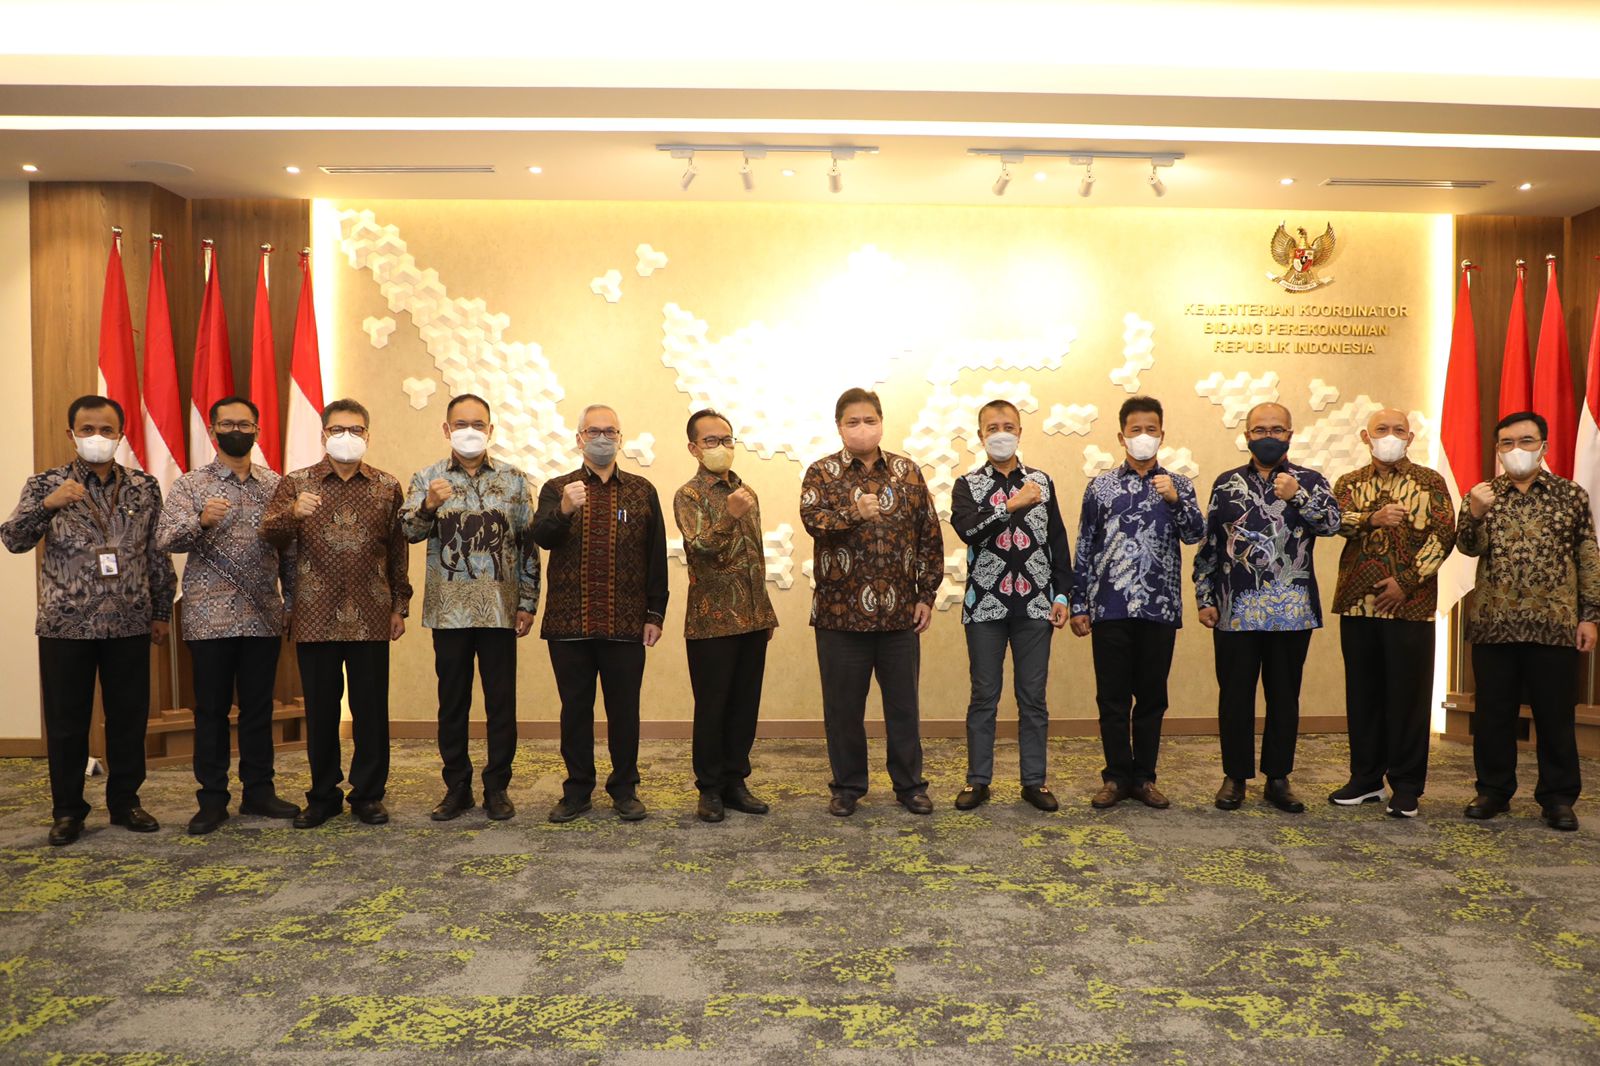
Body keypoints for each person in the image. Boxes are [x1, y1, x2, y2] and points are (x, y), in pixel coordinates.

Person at [3, 394, 175, 846]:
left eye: (106, 430)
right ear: (71, 434)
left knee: (128, 719)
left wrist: (161, 611)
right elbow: (14, 540)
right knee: (66, 722)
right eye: (87, 429)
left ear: (120, 435)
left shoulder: (143, 486)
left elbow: (157, 552)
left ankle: (126, 802)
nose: (97, 437)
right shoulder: (46, 484)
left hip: (130, 622)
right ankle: (68, 811)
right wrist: (48, 505)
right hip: (66, 624)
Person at [260, 398, 411, 829]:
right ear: (324, 434)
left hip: (372, 614)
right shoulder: (297, 483)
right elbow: (268, 533)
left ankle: (368, 795)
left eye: (356, 429)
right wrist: (292, 514)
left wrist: (399, 605)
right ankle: (323, 795)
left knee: (371, 712)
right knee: (322, 712)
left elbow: (397, 550)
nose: (347, 436)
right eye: (338, 429)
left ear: (368, 435)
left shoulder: (386, 486)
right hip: (314, 616)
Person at [156, 396, 299, 834]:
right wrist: (200, 521)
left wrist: (292, 602)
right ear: (213, 430)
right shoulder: (191, 484)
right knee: (211, 711)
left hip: (262, 615)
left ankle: (259, 792)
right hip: (208, 618)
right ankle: (212, 799)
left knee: (258, 708)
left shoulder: (276, 486)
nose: (236, 430)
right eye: (227, 424)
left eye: (245, 424)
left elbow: (291, 549)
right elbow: (165, 539)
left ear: (257, 430)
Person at [801, 387, 945, 817]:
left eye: (869, 420)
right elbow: (813, 521)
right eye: (852, 422)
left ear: (881, 422)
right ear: (839, 427)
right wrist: (853, 514)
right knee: (843, 710)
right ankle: (847, 787)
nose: (862, 428)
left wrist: (926, 595)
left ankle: (910, 786)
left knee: (904, 708)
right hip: (839, 616)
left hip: (900, 615)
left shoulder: (907, 472)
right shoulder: (821, 473)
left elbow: (929, 536)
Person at [1194, 402, 1340, 814]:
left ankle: (1278, 778)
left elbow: (1332, 524)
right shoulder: (1225, 484)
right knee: (1235, 697)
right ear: (1246, 436)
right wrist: (1204, 598)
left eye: (1277, 429)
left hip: (1291, 612)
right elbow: (1210, 545)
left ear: (1290, 434)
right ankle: (1235, 776)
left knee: (1284, 698)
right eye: (1260, 430)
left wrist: (1299, 497)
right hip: (1234, 610)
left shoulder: (1310, 480)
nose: (1268, 436)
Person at [1457, 411, 1600, 832]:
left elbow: (1588, 557)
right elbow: (1467, 547)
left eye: (1525, 441)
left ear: (1543, 446)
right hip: (1494, 623)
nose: (1516, 449)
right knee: (1492, 714)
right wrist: (1475, 513)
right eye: (1507, 443)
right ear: (1498, 450)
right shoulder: (1482, 494)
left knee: (1555, 716)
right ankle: (1493, 791)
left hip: (1554, 624)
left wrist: (1590, 616)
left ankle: (1558, 798)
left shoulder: (1570, 495)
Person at [401, 393, 540, 824]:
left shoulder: (515, 480)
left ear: (490, 430)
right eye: (461, 424)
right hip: (449, 612)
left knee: (501, 703)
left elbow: (527, 544)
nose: (469, 431)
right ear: (446, 430)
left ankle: (497, 787)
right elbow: (407, 532)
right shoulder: (427, 478)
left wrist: (528, 602)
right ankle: (456, 787)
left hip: (500, 610)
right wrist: (429, 505)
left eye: (478, 424)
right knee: (452, 702)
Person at [532, 404, 668, 824]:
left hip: (626, 623)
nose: (603, 438)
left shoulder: (642, 491)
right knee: (575, 710)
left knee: (624, 711)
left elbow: (655, 556)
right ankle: (577, 791)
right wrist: (564, 510)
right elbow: (542, 537)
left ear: (620, 439)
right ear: (579, 439)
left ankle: (625, 789)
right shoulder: (558, 487)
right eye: (594, 431)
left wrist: (655, 613)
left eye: (611, 431)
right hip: (569, 622)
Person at [1069, 395, 1204, 810]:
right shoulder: (1101, 486)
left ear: (1162, 434)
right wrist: (1079, 603)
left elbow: (1195, 534)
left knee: (1151, 698)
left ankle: (1144, 778)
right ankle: (1115, 777)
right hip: (1109, 607)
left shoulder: (1179, 484)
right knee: (1111, 698)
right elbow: (1085, 545)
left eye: (1151, 429)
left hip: (1159, 608)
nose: (1143, 436)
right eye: (1135, 430)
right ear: (1121, 436)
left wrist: (1175, 500)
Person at [1330, 408, 1456, 818]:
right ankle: (1366, 779)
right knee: (1362, 695)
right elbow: (1336, 523)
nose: (1389, 436)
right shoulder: (1349, 482)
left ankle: (1406, 786)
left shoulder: (1430, 481)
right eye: (1381, 429)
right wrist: (1372, 518)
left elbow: (1444, 536)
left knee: (1409, 698)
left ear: (1410, 437)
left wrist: (1406, 581)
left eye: (1398, 429)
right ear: (1365, 437)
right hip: (1358, 604)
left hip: (1411, 607)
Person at [948, 399, 1071, 812]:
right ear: (980, 435)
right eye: (992, 428)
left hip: (1035, 605)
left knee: (1033, 697)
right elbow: (968, 530)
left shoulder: (1042, 482)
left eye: (1008, 426)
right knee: (984, 695)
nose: (1000, 433)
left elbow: (1057, 541)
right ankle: (978, 780)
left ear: (1020, 432)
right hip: (984, 606)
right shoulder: (967, 485)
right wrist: (1011, 505)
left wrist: (1061, 593)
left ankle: (1034, 781)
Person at [674, 409, 779, 823]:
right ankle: (710, 788)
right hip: (711, 620)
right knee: (712, 707)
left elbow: (754, 557)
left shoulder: (746, 491)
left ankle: (736, 782)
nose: (721, 447)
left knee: (744, 706)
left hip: (752, 618)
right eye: (711, 441)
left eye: (727, 439)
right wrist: (729, 515)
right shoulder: (689, 495)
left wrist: (764, 611)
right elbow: (699, 548)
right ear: (694, 448)